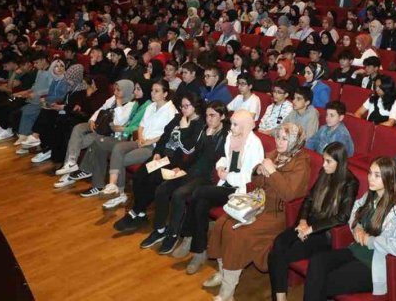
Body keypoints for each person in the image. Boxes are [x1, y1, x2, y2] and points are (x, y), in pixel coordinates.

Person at [205, 123, 310, 301]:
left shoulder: (301, 163)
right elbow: (256, 182)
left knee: (238, 234)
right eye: (278, 137)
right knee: (222, 224)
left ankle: (228, 290)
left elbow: (289, 195)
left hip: (278, 213)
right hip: (259, 203)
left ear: (295, 141)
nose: (279, 142)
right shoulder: (274, 155)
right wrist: (258, 171)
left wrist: (272, 171)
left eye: (285, 139)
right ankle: (223, 273)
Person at [302, 157, 396, 301]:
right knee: (317, 262)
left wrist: (371, 240)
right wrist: (357, 227)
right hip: (356, 251)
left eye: (377, 175)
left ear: (389, 179)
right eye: (370, 173)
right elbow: (354, 211)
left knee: (326, 281)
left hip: (374, 265)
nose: (370, 178)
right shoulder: (371, 196)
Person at [268, 142, 359, 301]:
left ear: (339, 162)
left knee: (280, 255)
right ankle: (280, 298)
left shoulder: (350, 182)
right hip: (308, 223)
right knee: (279, 243)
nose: (324, 165)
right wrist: (303, 221)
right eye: (324, 160)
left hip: (324, 233)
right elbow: (309, 199)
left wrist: (311, 229)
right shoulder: (325, 173)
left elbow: (342, 217)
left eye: (328, 161)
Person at [179, 109, 265, 274]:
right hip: (225, 184)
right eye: (231, 124)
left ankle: (187, 234)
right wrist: (220, 166)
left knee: (198, 192)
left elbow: (250, 177)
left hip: (239, 191)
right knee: (200, 204)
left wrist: (228, 176)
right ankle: (199, 251)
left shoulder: (255, 145)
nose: (231, 127)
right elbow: (225, 157)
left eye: (235, 125)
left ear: (245, 126)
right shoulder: (231, 137)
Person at [124, 90, 206, 238]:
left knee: (152, 179)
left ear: (195, 106)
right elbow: (164, 136)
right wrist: (157, 152)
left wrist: (184, 129)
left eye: (186, 106)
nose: (183, 109)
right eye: (181, 106)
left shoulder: (199, 125)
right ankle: (140, 213)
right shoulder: (178, 117)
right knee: (138, 176)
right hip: (163, 156)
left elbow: (189, 149)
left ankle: (136, 211)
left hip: (176, 161)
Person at [79, 81, 176, 202]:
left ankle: (120, 193)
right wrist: (140, 138)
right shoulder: (151, 106)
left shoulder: (171, 111)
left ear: (165, 94)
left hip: (154, 147)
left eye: (156, 91)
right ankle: (112, 186)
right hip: (140, 141)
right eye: (152, 90)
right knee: (116, 148)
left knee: (120, 158)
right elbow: (141, 126)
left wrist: (148, 141)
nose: (152, 93)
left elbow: (168, 135)